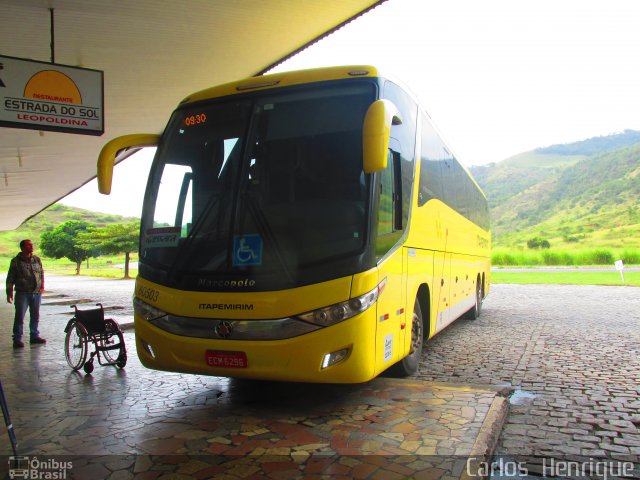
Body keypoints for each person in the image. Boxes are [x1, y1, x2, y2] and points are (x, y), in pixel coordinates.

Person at [6, 239, 47, 348]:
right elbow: (10, 277)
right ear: (23, 247)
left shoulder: (36, 259)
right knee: (20, 316)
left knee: (35, 315)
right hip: (22, 293)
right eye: (29, 245)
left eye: (32, 245)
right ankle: (17, 339)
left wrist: (42, 286)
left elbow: (41, 273)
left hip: (36, 293)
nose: (31, 246)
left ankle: (34, 336)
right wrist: (9, 292)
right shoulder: (15, 261)